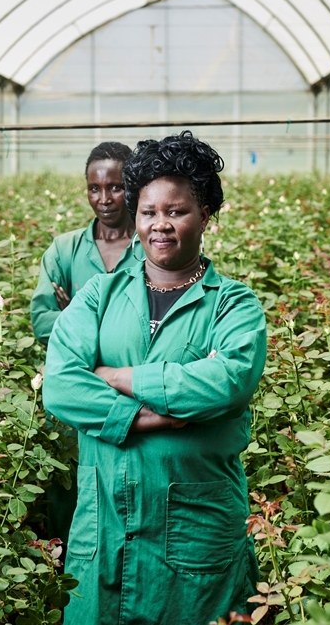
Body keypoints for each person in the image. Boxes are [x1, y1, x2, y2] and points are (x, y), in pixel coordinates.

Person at [43, 131, 268, 624]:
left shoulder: (232, 304)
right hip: (104, 531)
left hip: (194, 534)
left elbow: (226, 381)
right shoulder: (100, 295)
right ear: (135, 215)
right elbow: (60, 385)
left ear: (205, 214)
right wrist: (148, 418)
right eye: (149, 212)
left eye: (176, 211)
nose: (160, 225)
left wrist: (117, 375)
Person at [30, 141, 143, 346]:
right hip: (76, 373)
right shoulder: (63, 250)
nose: (104, 199)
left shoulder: (152, 248)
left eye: (115, 187)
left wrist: (75, 314)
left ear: (132, 189)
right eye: (94, 189)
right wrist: (118, 327)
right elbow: (42, 323)